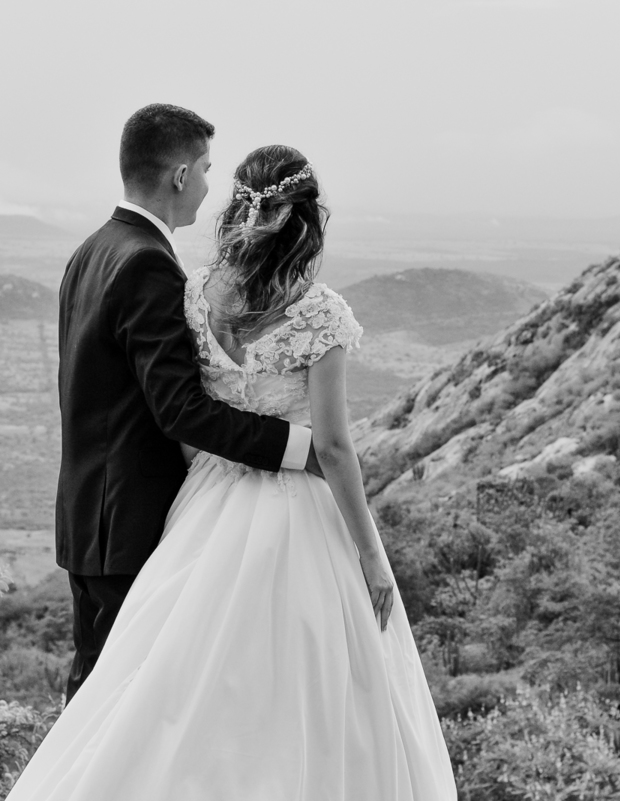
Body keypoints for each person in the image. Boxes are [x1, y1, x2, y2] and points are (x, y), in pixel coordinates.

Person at [10, 145, 457, 799]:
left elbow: (186, 416)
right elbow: (334, 448)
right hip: (300, 513)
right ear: (308, 221)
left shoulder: (200, 294)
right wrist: (369, 554)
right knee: (316, 680)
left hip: (205, 500)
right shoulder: (319, 313)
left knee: (176, 675)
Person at [55, 103, 320, 701]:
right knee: (124, 705)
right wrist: (298, 447)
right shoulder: (147, 262)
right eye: (204, 169)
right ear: (179, 176)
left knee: (93, 696)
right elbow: (179, 409)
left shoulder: (92, 250)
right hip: (128, 522)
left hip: (87, 517)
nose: (207, 185)